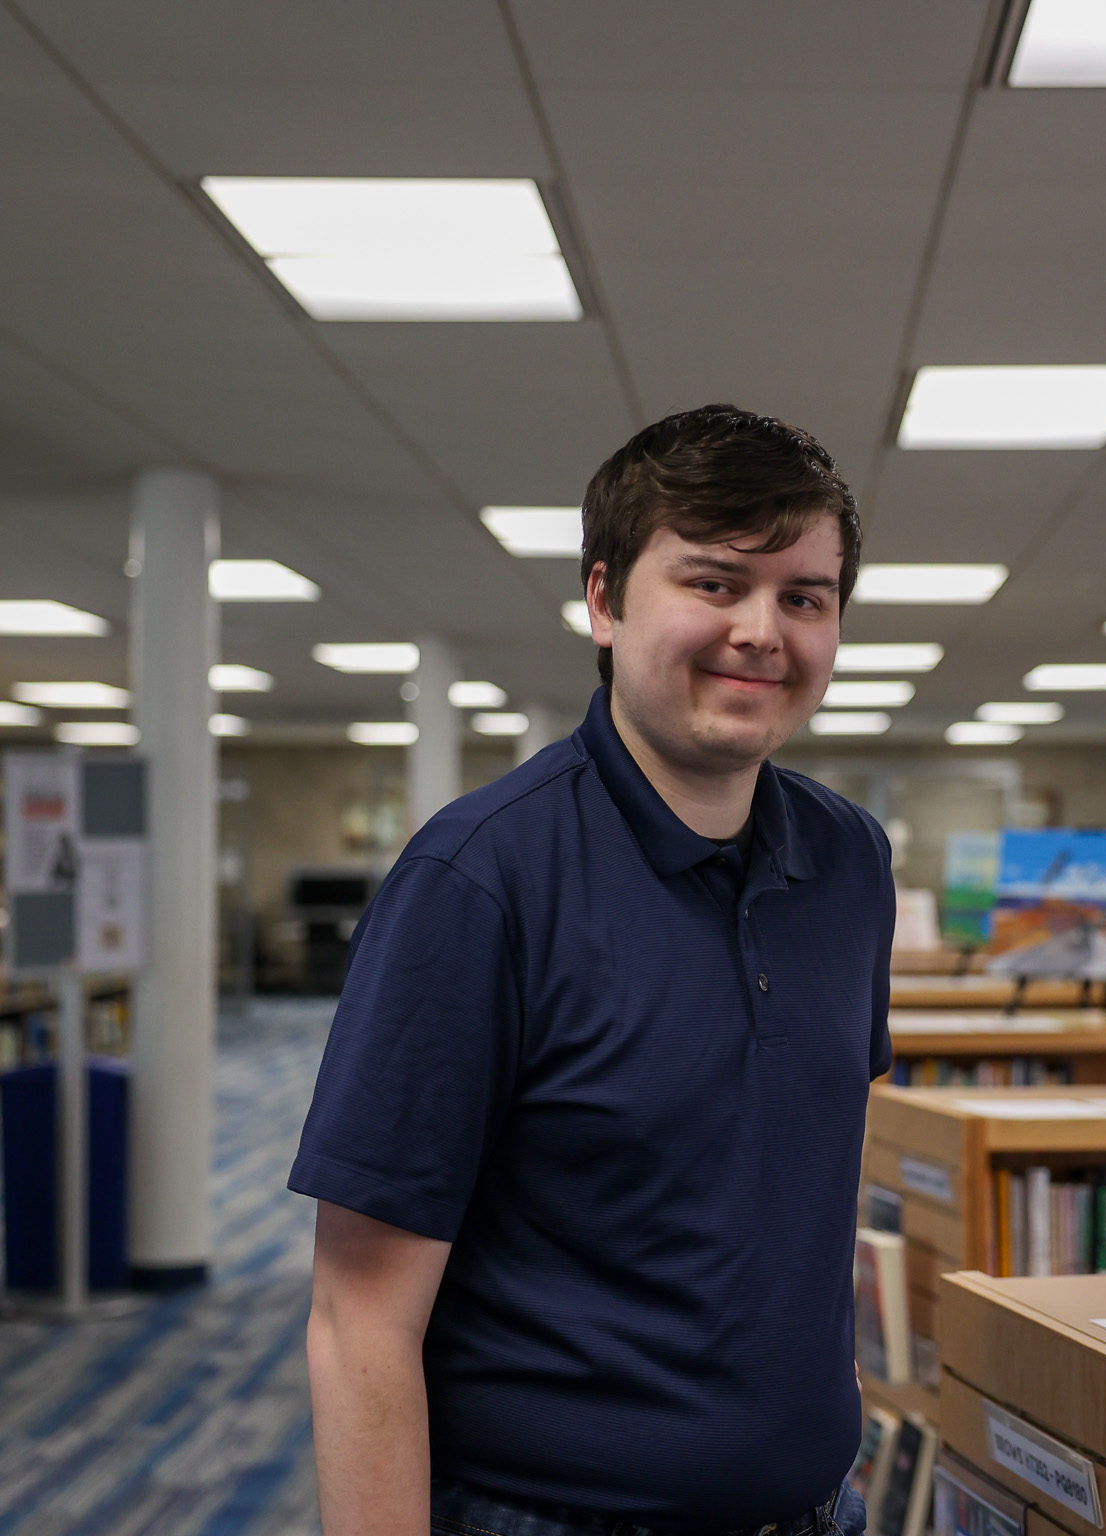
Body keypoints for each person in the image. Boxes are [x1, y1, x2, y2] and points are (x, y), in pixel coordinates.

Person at [291, 405, 893, 1536]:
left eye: (804, 596)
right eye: (714, 583)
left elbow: (801, 1178)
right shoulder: (476, 882)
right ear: (606, 601)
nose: (763, 631)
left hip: (816, 1511)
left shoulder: (850, 861)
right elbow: (357, 1317)